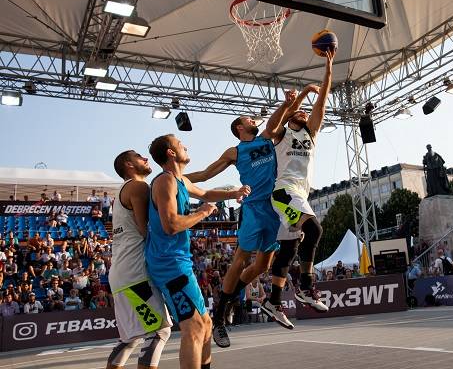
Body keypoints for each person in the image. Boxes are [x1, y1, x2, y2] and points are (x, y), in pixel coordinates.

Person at [185, 86, 317, 346]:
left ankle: (233, 298)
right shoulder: (234, 152)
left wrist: (297, 98)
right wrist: (173, 178)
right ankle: (220, 317)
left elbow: (283, 115)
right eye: (248, 120)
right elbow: (204, 175)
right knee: (241, 258)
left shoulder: (267, 137)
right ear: (239, 128)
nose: (252, 120)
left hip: (273, 209)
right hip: (253, 209)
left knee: (262, 266)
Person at [146, 134, 250, 369]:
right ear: (171, 153)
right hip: (169, 264)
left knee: (205, 324)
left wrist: (233, 194)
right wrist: (203, 213)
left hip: (179, 262)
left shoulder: (179, 181)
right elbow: (170, 225)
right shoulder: (165, 181)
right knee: (193, 328)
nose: (186, 146)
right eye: (181, 145)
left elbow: (205, 194)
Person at [263, 50, 335, 326]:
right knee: (314, 228)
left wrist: (327, 68)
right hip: (284, 192)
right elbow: (270, 127)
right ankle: (306, 286)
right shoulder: (283, 134)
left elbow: (323, 101)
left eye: (307, 112)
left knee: (288, 251)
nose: (306, 113)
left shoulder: (310, 133)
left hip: (298, 195)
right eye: (301, 112)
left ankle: (273, 300)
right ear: (293, 116)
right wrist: (299, 97)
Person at [106, 150, 173, 369]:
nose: (145, 158)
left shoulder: (122, 192)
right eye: (139, 156)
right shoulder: (138, 186)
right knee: (158, 332)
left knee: (130, 338)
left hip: (121, 273)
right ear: (129, 164)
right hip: (135, 274)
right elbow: (146, 231)